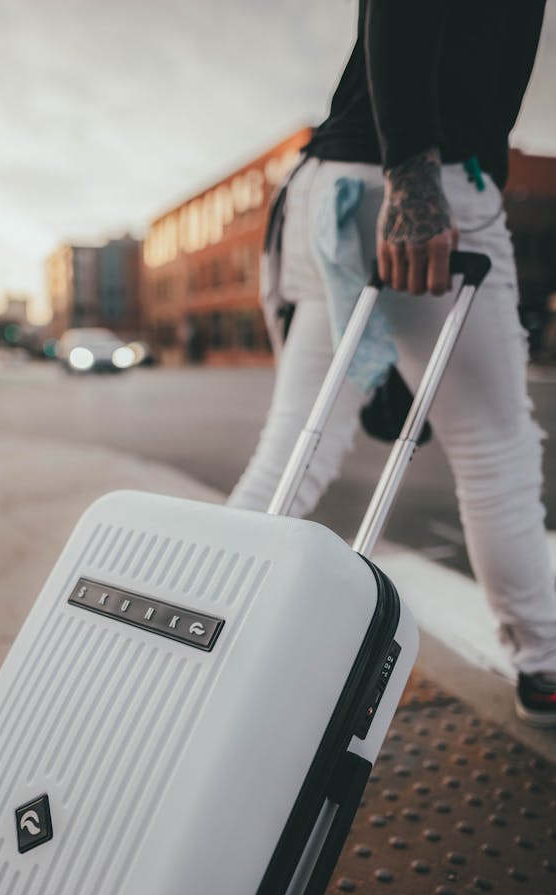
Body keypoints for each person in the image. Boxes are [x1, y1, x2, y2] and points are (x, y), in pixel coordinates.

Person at [228, 0, 556, 726]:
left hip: (330, 183)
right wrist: (412, 178)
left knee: (296, 441)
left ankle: (206, 613)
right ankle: (545, 663)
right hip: (425, 175)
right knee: (494, 445)